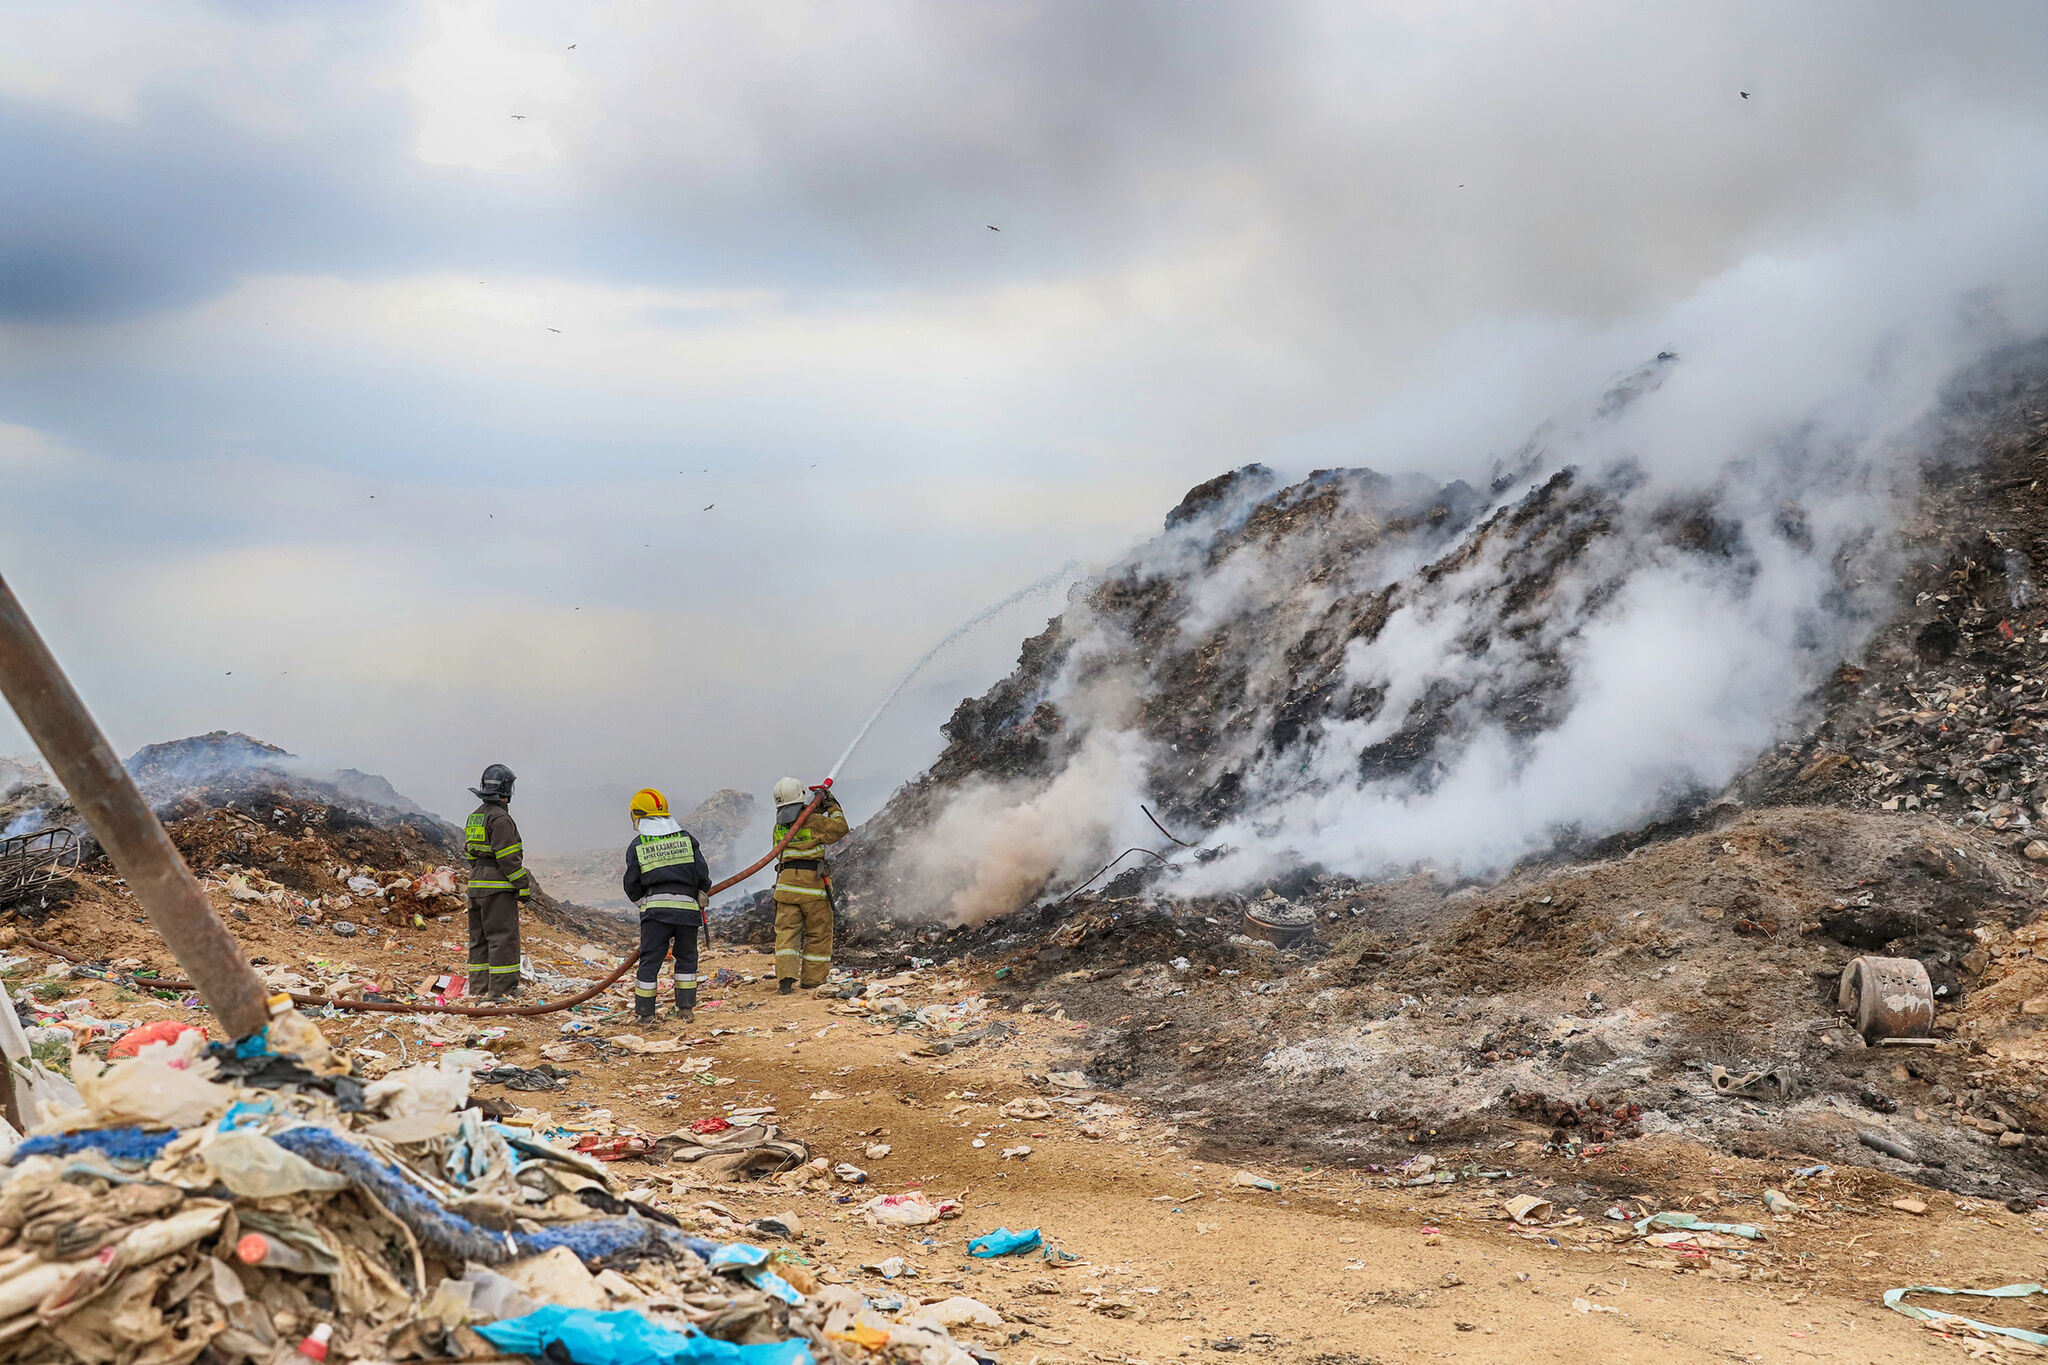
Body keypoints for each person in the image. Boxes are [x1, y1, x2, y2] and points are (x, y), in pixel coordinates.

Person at [621, 787, 712, 1021]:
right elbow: (702, 873)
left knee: (650, 961)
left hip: (656, 913)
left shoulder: (638, 844)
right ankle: (686, 1009)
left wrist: (643, 901)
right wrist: (701, 891)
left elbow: (631, 882)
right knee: (687, 958)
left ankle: (645, 1014)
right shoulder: (686, 839)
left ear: (638, 815)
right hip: (687, 911)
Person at [769, 777, 849, 993]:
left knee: (787, 935)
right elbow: (840, 828)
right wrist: (831, 805)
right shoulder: (815, 822)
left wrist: (815, 809)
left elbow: (798, 829)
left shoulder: (778, 828)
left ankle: (785, 980)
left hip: (786, 888)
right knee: (818, 933)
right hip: (812, 886)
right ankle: (812, 980)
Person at [462, 763, 530, 997]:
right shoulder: (500, 819)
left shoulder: (474, 817)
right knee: (502, 938)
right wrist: (523, 885)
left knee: (479, 939)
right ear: (505, 789)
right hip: (497, 888)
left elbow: (470, 854)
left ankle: (479, 988)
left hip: (476, 885)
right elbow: (508, 858)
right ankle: (502, 990)